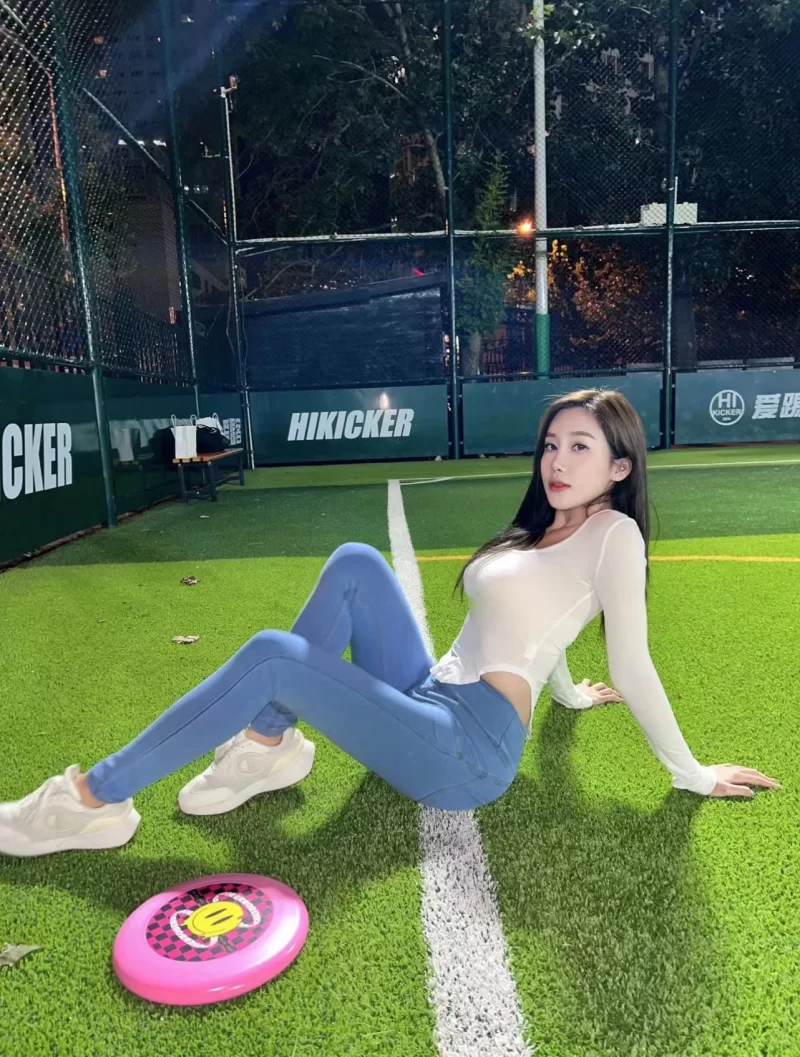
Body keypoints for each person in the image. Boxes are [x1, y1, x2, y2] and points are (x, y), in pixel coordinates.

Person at [0, 388, 781, 858]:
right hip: (429, 690)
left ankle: (92, 800)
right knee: (355, 562)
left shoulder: (615, 533)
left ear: (620, 466)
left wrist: (692, 772)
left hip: (468, 749)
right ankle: (268, 749)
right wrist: (570, 693)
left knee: (274, 657)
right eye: (552, 443)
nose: (557, 460)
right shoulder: (545, 528)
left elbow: (632, 659)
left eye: (581, 446)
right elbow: (544, 624)